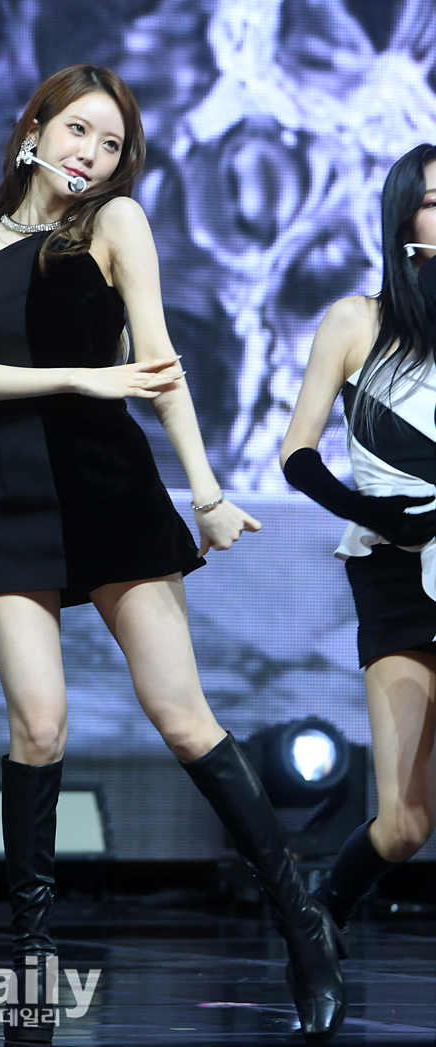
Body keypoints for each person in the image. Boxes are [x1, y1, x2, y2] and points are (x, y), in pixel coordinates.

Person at [0, 64, 345, 1043]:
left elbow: (159, 370)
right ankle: (31, 965)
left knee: (183, 718)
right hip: (10, 494)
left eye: (111, 144)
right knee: (38, 729)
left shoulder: (115, 224)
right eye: (78, 130)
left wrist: (206, 493)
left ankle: (303, 923)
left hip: (109, 485)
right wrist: (83, 376)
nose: (93, 154)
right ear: (34, 129)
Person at [281, 143, 436, 950]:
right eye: (435, 201)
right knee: (405, 822)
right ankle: (322, 913)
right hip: (391, 569)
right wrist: (378, 513)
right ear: (403, 216)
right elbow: (298, 454)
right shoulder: (355, 321)